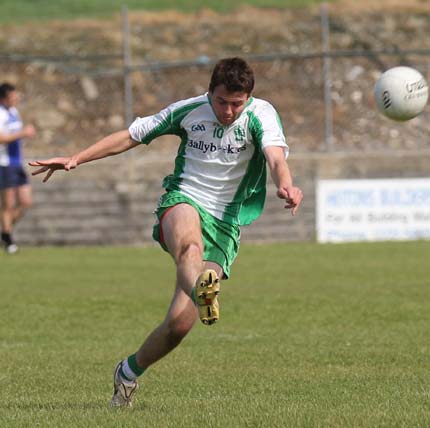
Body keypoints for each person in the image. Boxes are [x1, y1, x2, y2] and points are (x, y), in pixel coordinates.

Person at [29, 57, 303, 407]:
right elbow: (131, 136)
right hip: (184, 198)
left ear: (248, 98)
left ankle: (128, 372)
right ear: (210, 93)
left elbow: (276, 158)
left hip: (224, 222)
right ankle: (204, 291)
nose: (229, 111)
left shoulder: (261, 115)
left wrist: (287, 185)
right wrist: (76, 158)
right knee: (188, 248)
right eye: (222, 102)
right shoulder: (189, 110)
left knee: (179, 326)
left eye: (237, 103)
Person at [0, 82, 36, 254]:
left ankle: (4, 231)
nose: (16, 97)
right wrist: (23, 133)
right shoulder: (0, 114)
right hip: (4, 164)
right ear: (5, 98)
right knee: (8, 204)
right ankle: (8, 240)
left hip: (17, 162)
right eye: (13, 95)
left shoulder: (14, 111)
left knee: (26, 202)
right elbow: (1, 138)